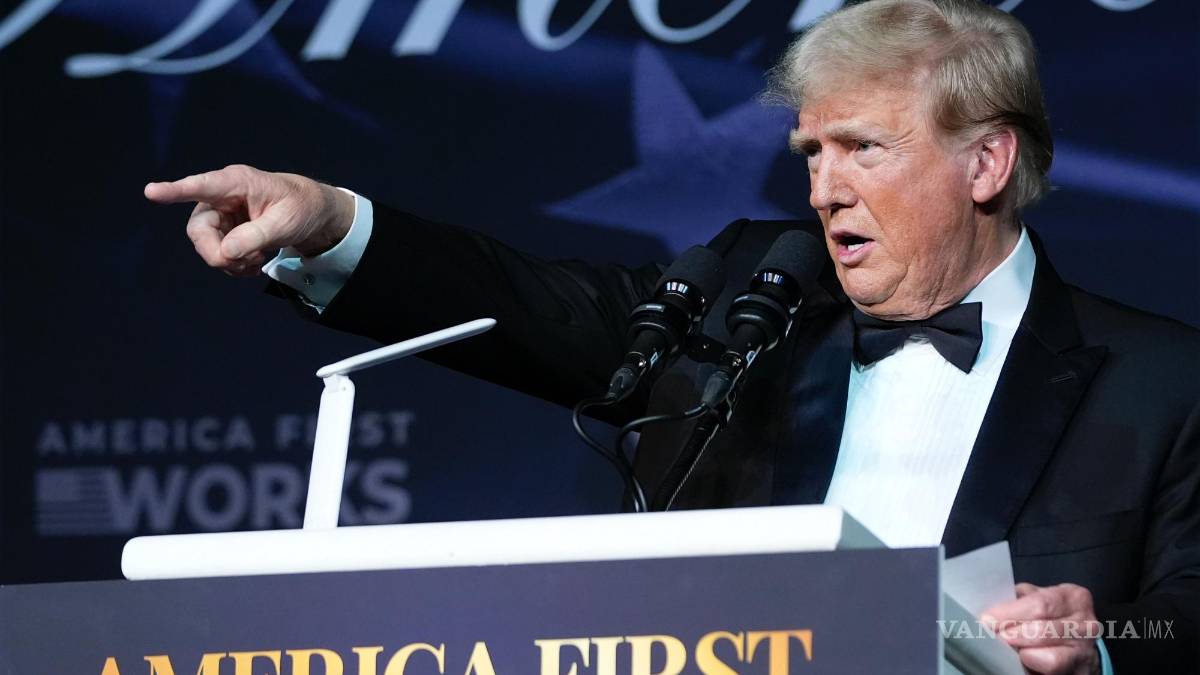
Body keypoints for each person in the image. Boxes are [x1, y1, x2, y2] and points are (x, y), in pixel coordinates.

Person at [144, 1, 1198, 672]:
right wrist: (330, 222)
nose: (824, 188)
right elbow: (527, 302)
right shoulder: (753, 301)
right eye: (811, 151)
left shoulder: (1162, 380)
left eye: (863, 148)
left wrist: (1105, 642)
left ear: (986, 164)